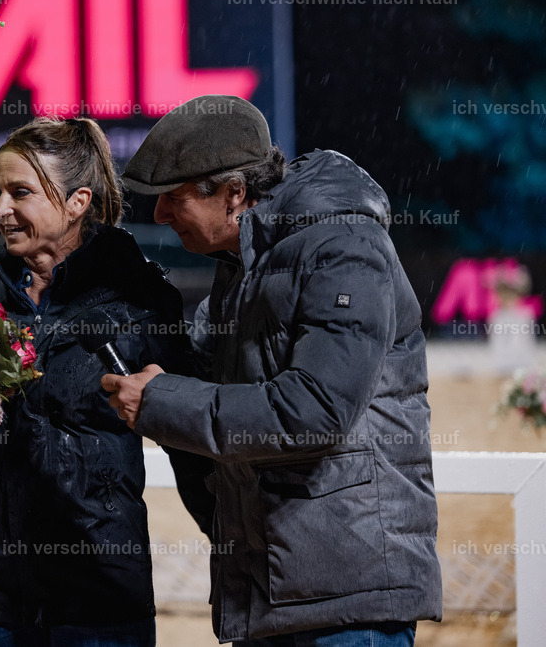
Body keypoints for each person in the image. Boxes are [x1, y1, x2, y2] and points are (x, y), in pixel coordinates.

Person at [102, 95, 442, 646]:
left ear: (235, 194)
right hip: (270, 597)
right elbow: (220, 431)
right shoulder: (242, 267)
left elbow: (314, 411)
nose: (160, 214)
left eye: (174, 196)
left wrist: (163, 401)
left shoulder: (345, 246)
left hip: (345, 605)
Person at [0, 117, 194, 646]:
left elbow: (194, 435)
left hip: (98, 590)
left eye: (20, 192)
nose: (0, 209)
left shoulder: (140, 300)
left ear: (78, 201)